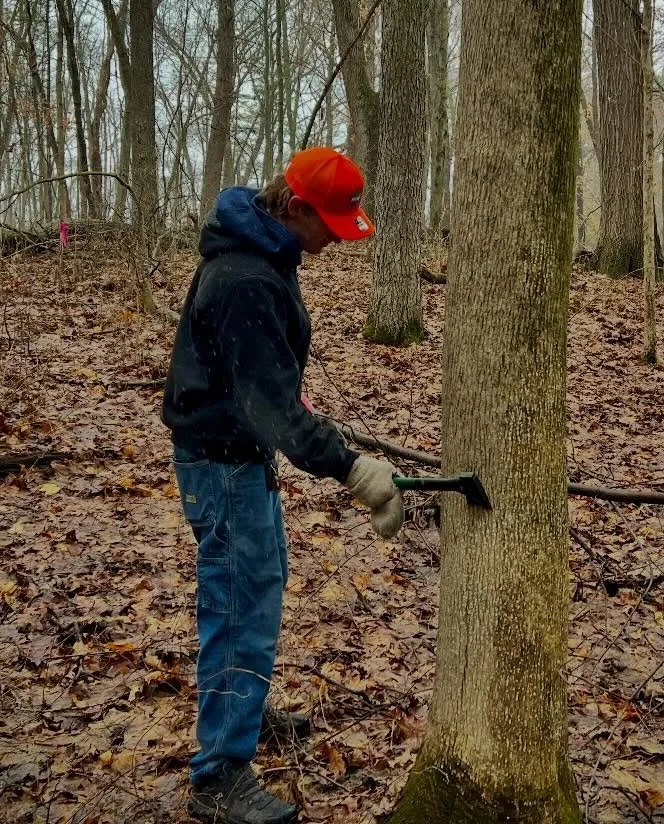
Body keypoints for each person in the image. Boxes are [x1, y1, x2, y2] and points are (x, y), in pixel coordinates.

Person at [162, 147, 403, 824]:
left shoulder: (263, 255)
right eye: (327, 222)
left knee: (257, 588)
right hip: (223, 462)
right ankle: (218, 778)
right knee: (239, 603)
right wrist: (352, 468)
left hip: (238, 457)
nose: (333, 237)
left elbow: (267, 390)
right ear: (293, 208)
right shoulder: (244, 278)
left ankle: (244, 710)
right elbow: (271, 401)